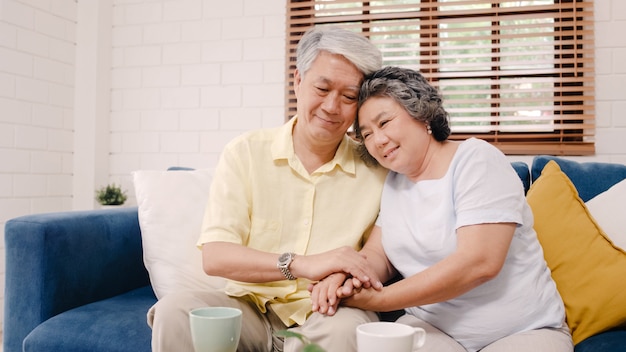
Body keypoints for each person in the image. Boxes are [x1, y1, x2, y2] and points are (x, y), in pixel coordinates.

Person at [147, 27, 389, 352]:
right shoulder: (245, 152)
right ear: (298, 81)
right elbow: (216, 256)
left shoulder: (377, 168)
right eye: (322, 88)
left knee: (345, 330)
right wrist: (302, 263)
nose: (332, 107)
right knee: (176, 312)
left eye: (349, 97)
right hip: (248, 307)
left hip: (329, 310)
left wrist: (344, 279)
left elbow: (378, 256)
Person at [309, 66, 574, 352]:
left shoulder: (476, 159)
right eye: (367, 134)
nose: (378, 141)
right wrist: (344, 277)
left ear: (421, 113)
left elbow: (479, 263)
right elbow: (378, 257)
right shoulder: (395, 182)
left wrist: (380, 299)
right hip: (434, 329)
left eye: (384, 123)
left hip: (522, 331)